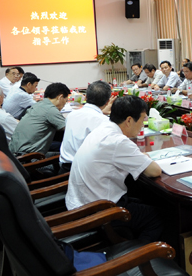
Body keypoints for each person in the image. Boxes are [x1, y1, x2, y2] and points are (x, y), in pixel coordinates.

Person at [65, 96, 164, 242]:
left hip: (80, 203)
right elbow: (154, 171)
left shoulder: (103, 129)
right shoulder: (118, 141)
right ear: (129, 120)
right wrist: (145, 158)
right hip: (99, 212)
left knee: (141, 198)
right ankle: (140, 253)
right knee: (158, 216)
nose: (143, 124)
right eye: (142, 119)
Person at [59, 80, 115, 174]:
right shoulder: (104, 121)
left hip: (64, 168)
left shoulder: (71, 115)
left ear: (85, 97)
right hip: (84, 172)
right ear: (108, 101)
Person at [9, 82, 70, 156]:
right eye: (66, 101)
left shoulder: (38, 105)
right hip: (29, 157)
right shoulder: (50, 110)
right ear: (60, 97)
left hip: (13, 154)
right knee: (68, 153)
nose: (64, 104)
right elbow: (69, 129)